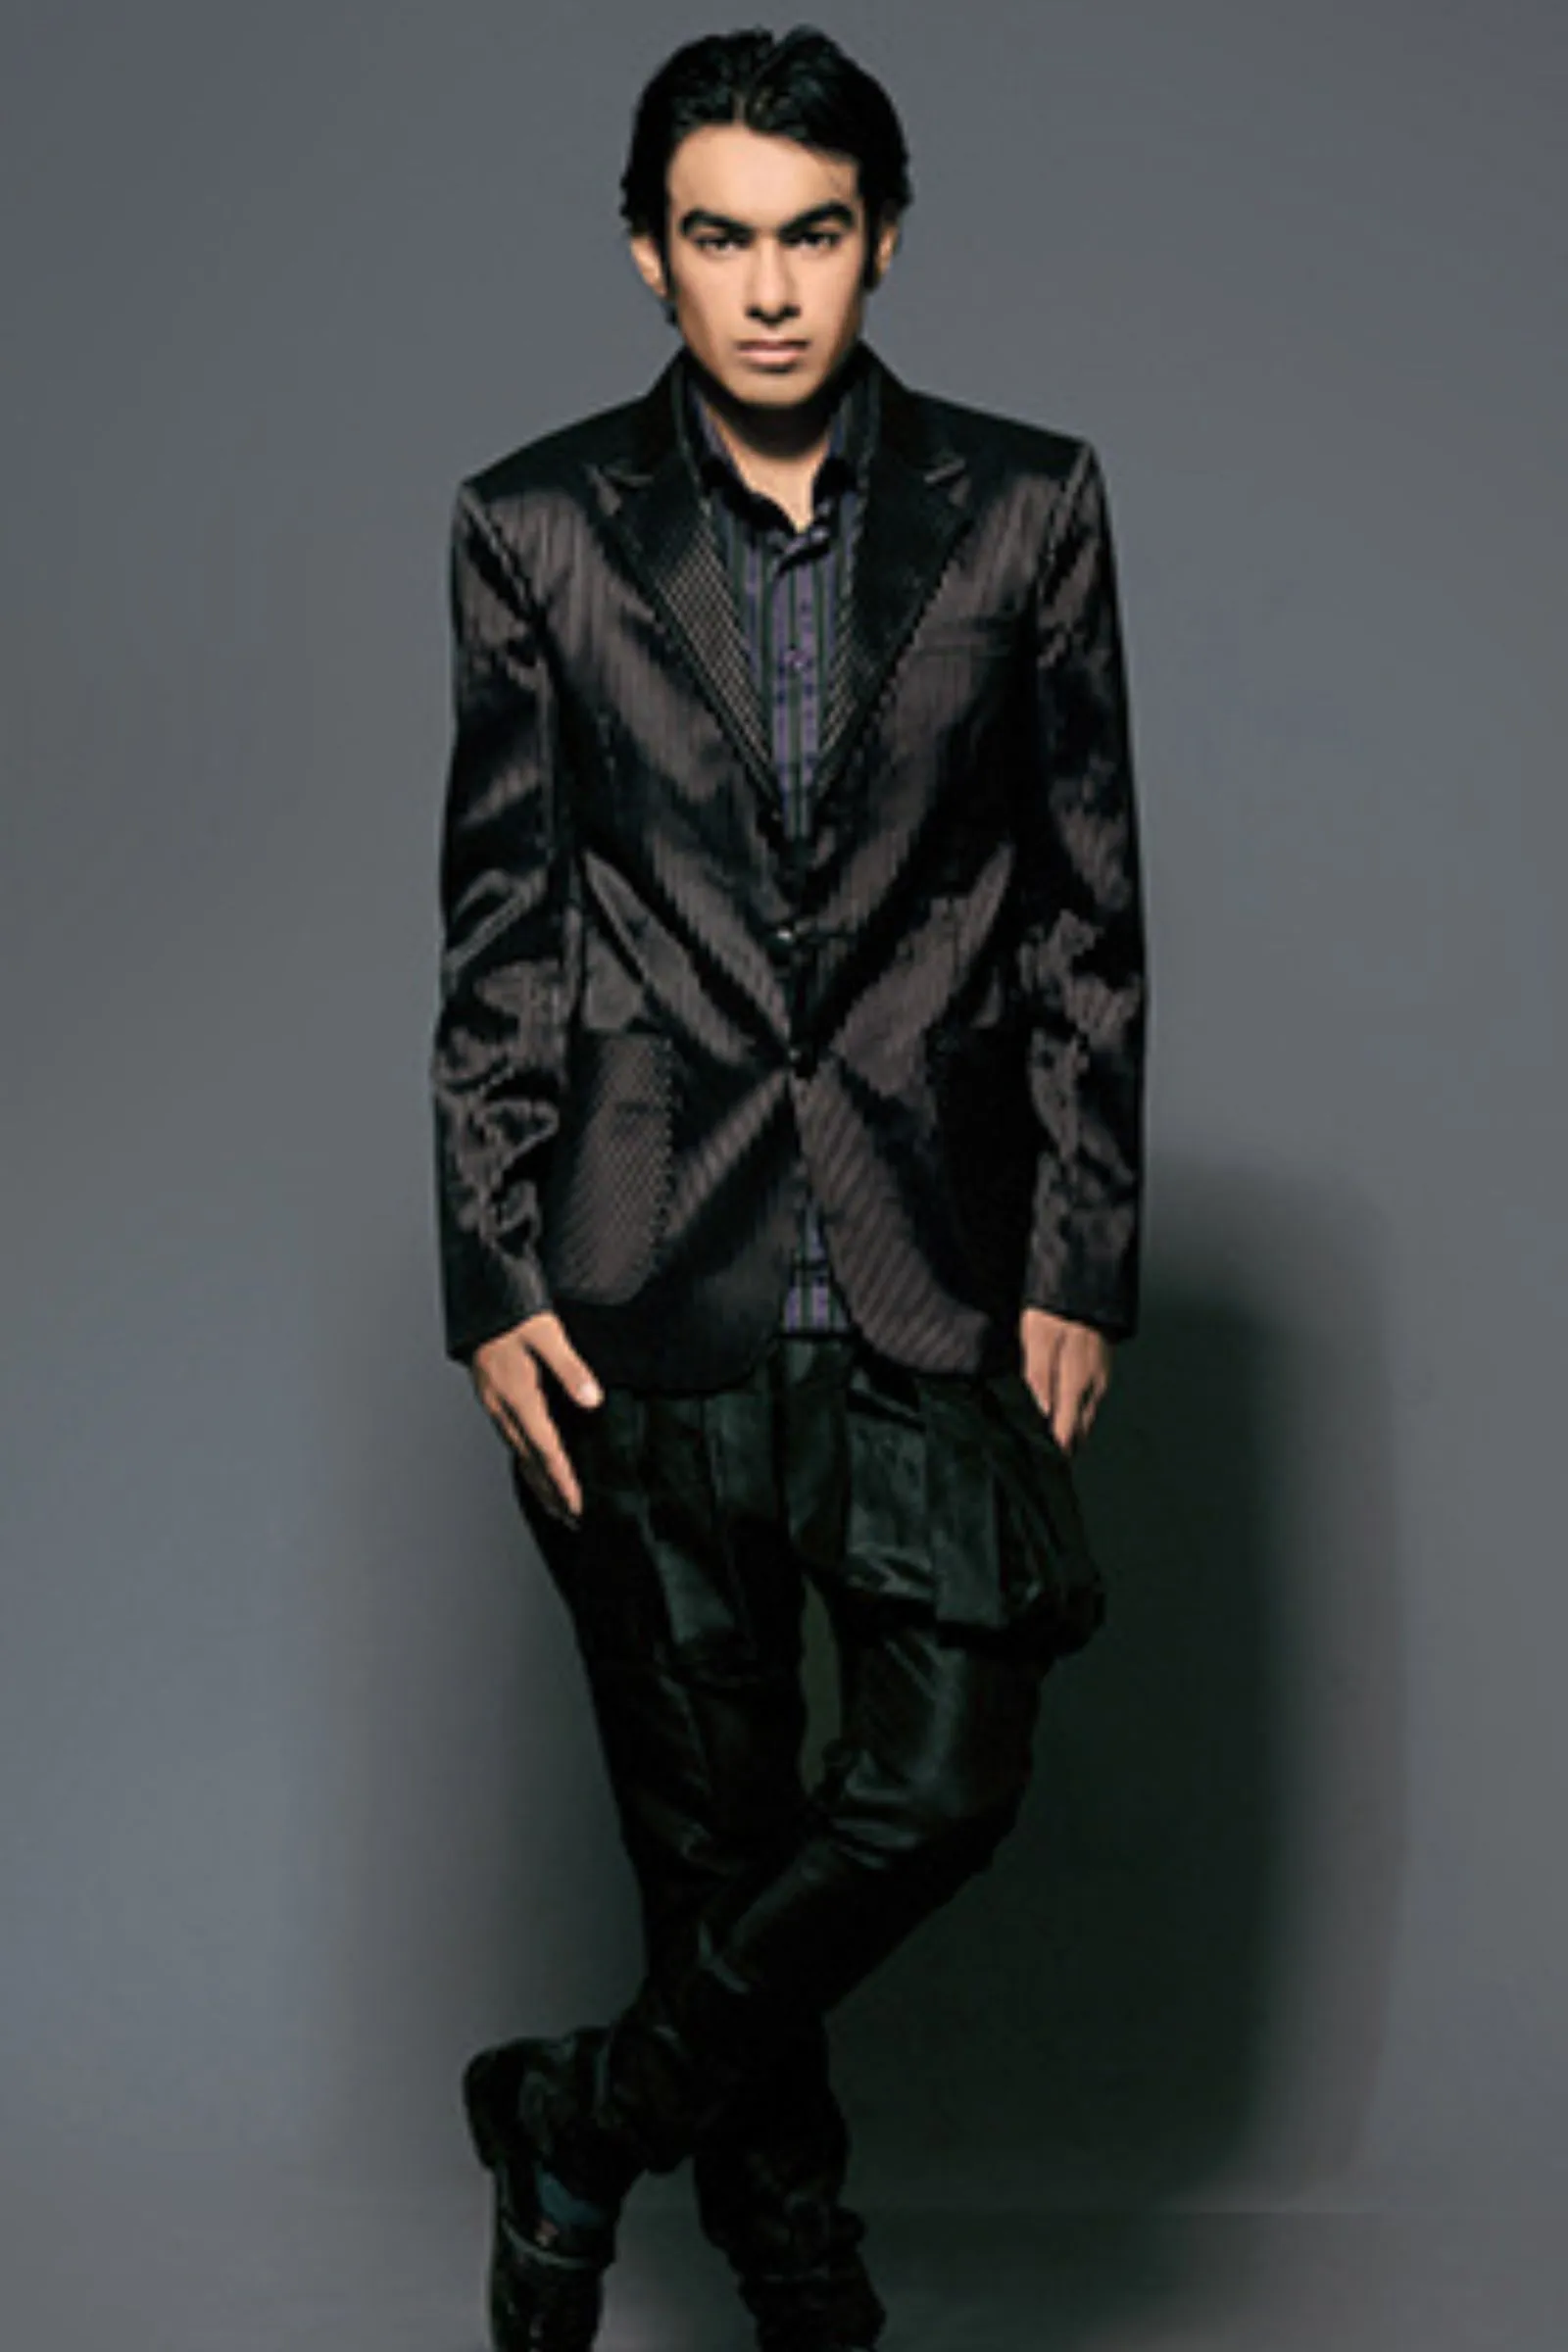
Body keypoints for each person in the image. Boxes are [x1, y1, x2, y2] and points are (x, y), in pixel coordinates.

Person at [430, 25, 1147, 2351]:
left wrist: (1078, 1253)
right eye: (717, 238)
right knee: (709, 1839)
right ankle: (799, 2266)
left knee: (935, 1785)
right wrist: (488, 1269)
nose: (765, 290)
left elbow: (1084, 913)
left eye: (811, 235)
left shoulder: (1025, 509)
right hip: (640, 1267)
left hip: (933, 1262)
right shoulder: (535, 527)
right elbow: (503, 928)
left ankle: (574, 2116)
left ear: (882, 242)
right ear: (646, 256)